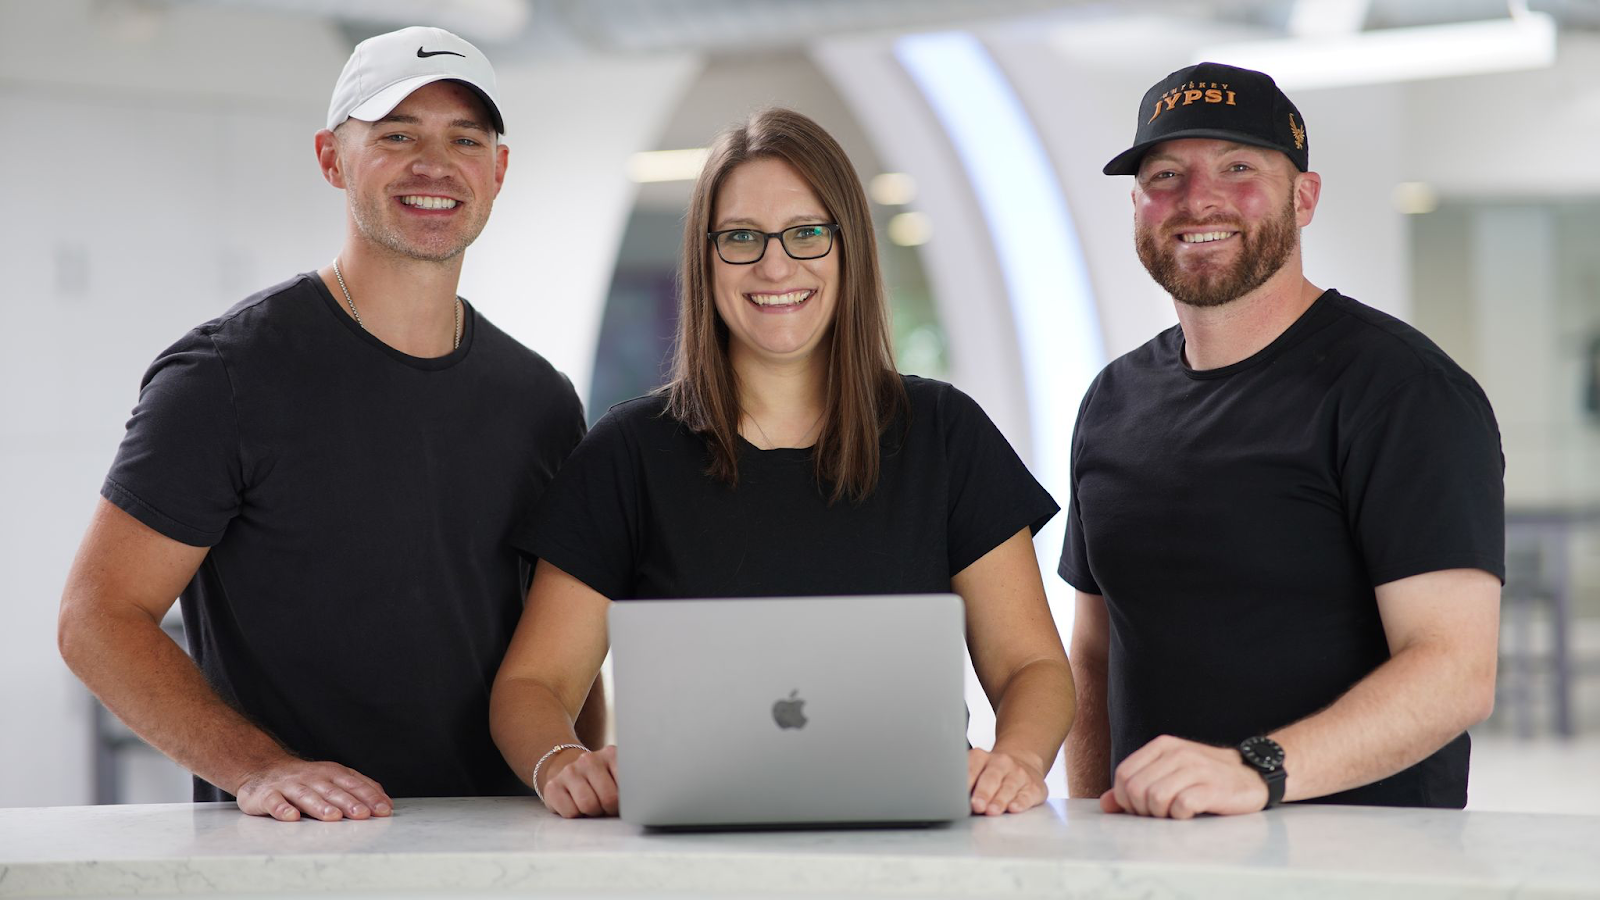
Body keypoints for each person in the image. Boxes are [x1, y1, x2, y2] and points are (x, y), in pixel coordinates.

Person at [57, 25, 603, 822]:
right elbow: (96, 619)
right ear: (330, 158)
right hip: (297, 854)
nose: (434, 165)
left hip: (496, 852)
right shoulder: (225, 378)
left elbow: (567, 658)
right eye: (396, 135)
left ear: (499, 169)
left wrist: (579, 790)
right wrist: (260, 769)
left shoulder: (542, 403)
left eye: (465, 138)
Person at [489, 107, 1074, 819]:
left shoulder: (945, 434)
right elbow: (532, 684)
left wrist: (1017, 760)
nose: (775, 264)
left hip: (913, 842)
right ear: (705, 259)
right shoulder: (629, 452)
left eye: (806, 233)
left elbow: (1033, 668)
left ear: (847, 246)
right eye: (741, 237)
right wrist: (561, 762)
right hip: (694, 846)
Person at [1060, 63, 1504, 818]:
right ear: (1138, 206)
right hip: (1155, 859)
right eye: (1166, 174)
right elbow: (1097, 655)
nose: (1198, 199)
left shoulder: (1402, 393)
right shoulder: (1113, 400)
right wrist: (1092, 832)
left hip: (1363, 868)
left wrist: (1256, 771)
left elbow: (1455, 670)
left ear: (1304, 198)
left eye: (1239, 168)